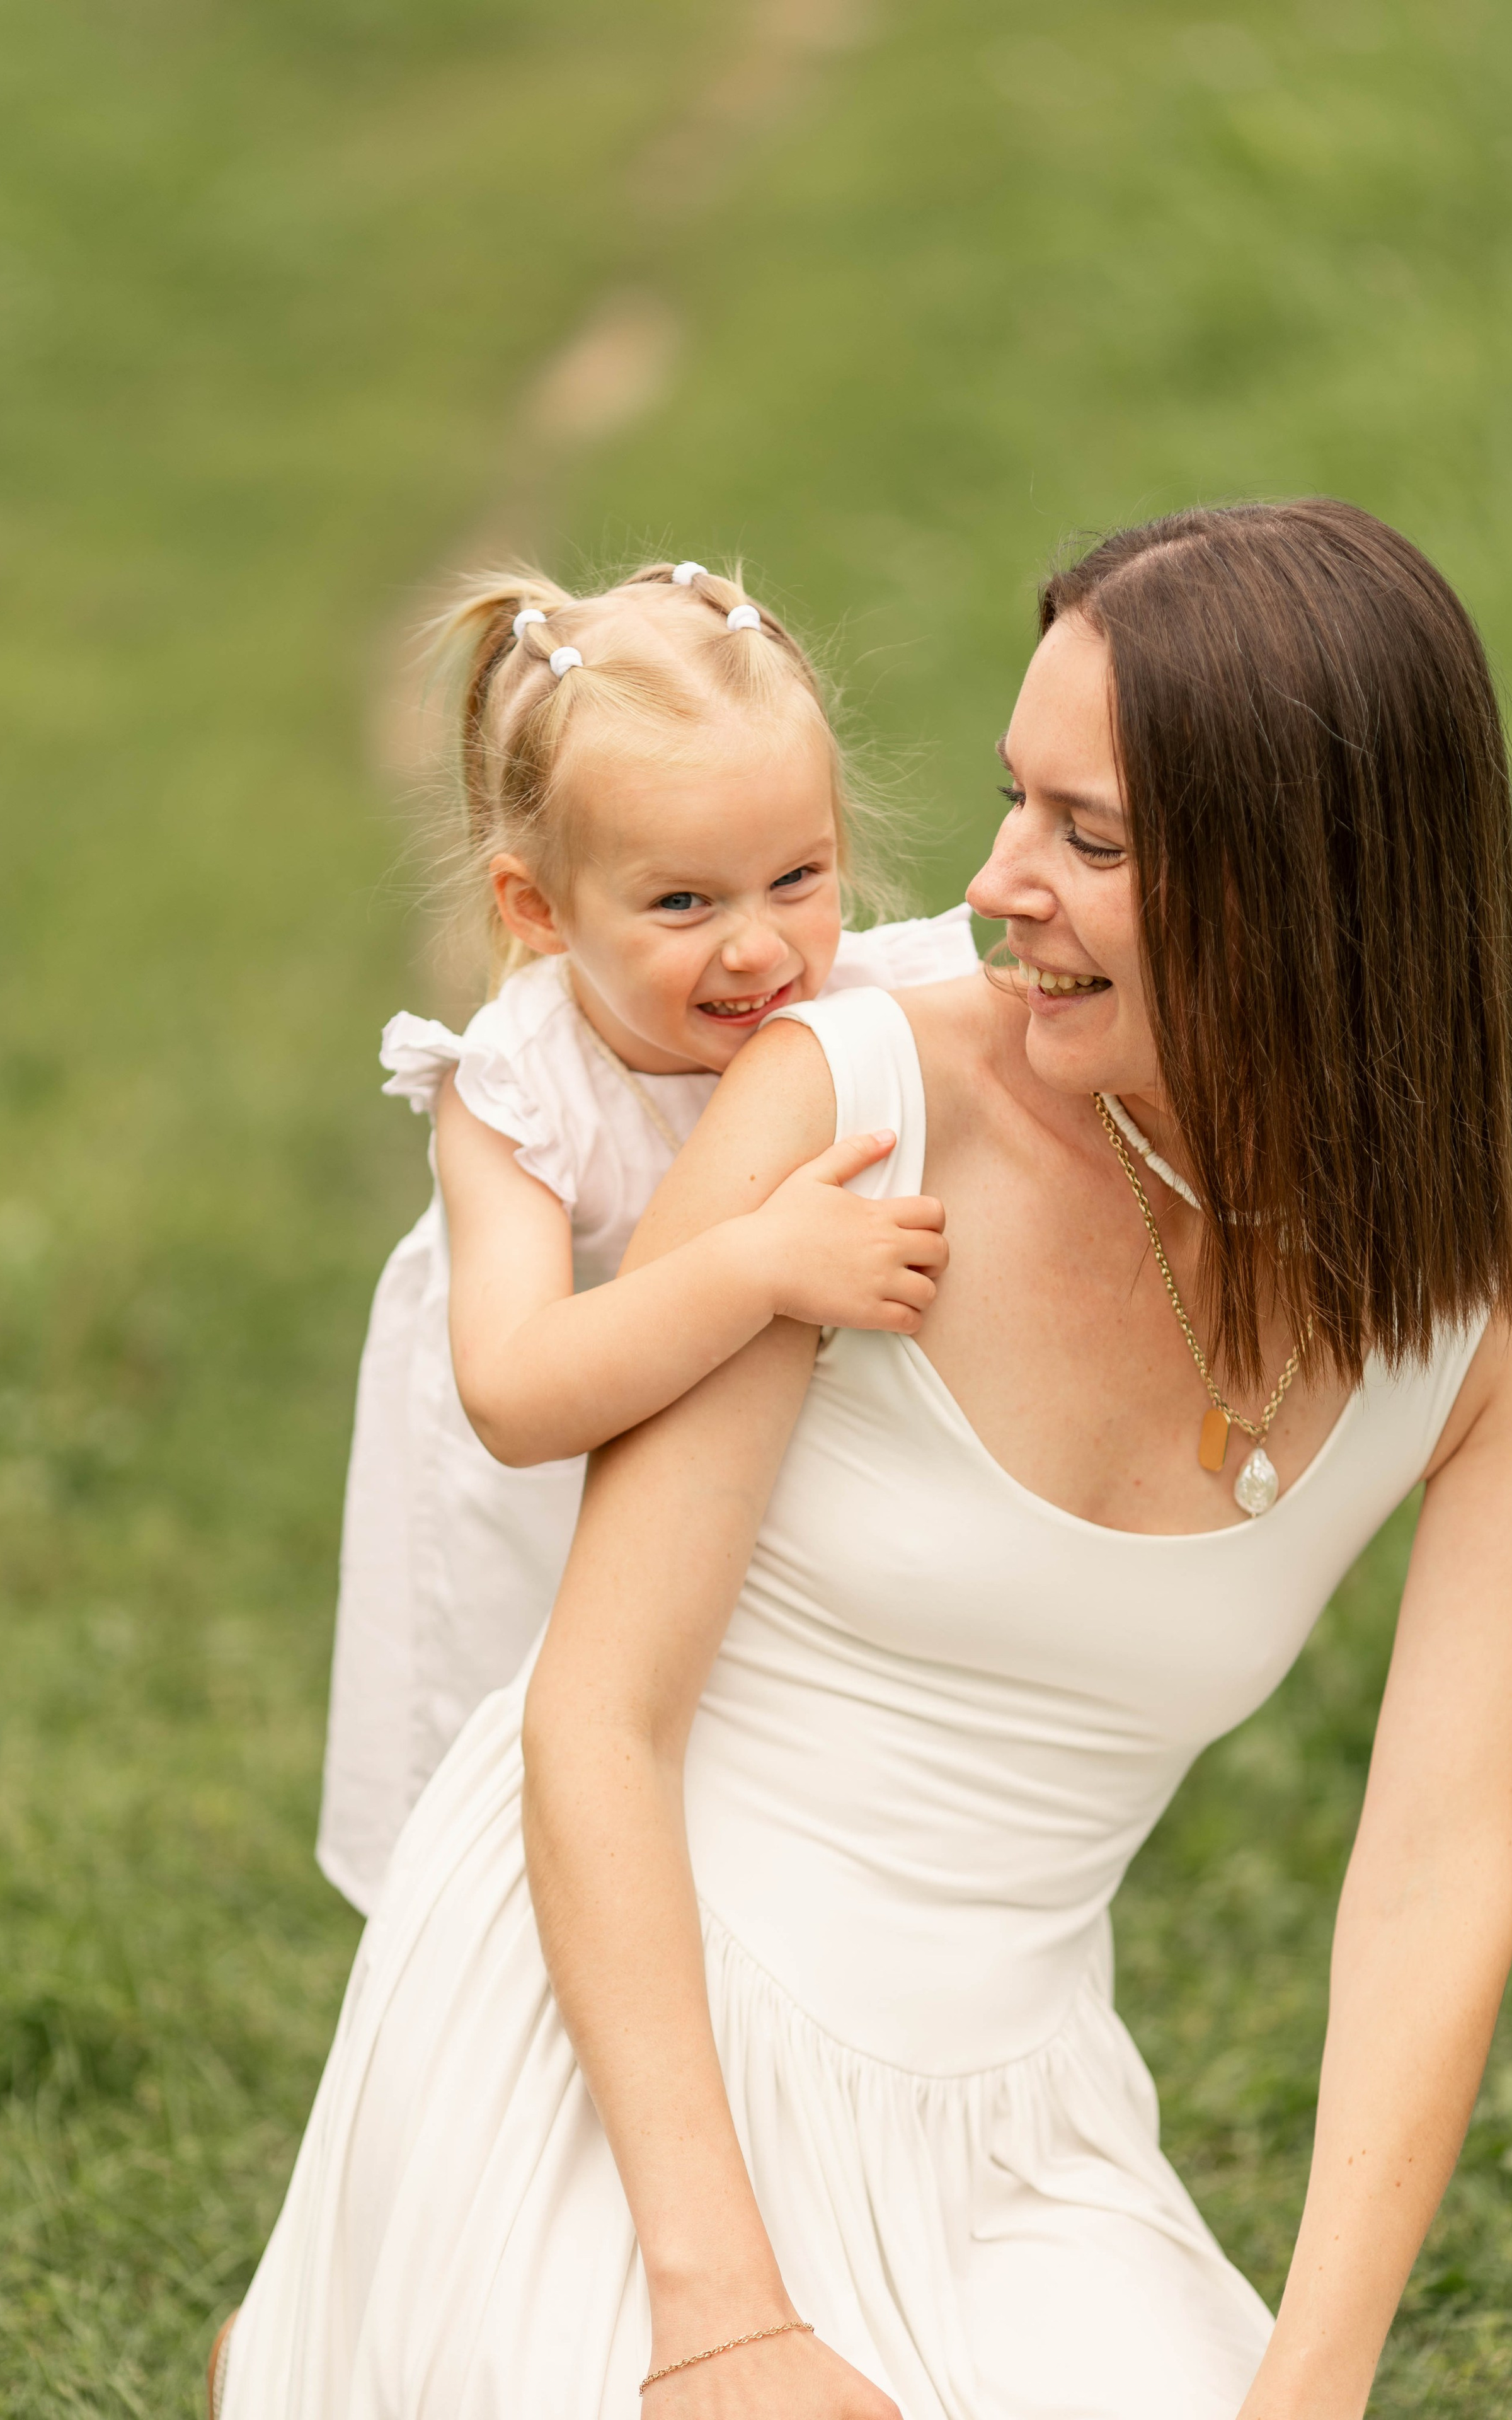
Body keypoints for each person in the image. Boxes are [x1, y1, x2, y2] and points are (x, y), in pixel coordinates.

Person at [215, 502, 1512, 2420]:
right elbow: (596, 1722)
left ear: (1304, 891)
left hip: (1019, 2121)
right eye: (1016, 800)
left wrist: (1310, 2385)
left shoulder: (1474, 1305)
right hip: (617, 2022)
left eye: (1088, 838)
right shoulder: (844, 1107)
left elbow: (1445, 1855)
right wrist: (724, 2318)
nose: (998, 885)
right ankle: (344, 2314)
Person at [316, 559, 976, 1915]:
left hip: (761, 1502)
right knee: (527, 1840)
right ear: (538, 910)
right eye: (683, 905)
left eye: (797, 876)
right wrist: (756, 1266)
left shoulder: (870, 997)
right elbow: (509, 1393)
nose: (756, 950)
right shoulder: (516, 1093)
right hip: (535, 1521)